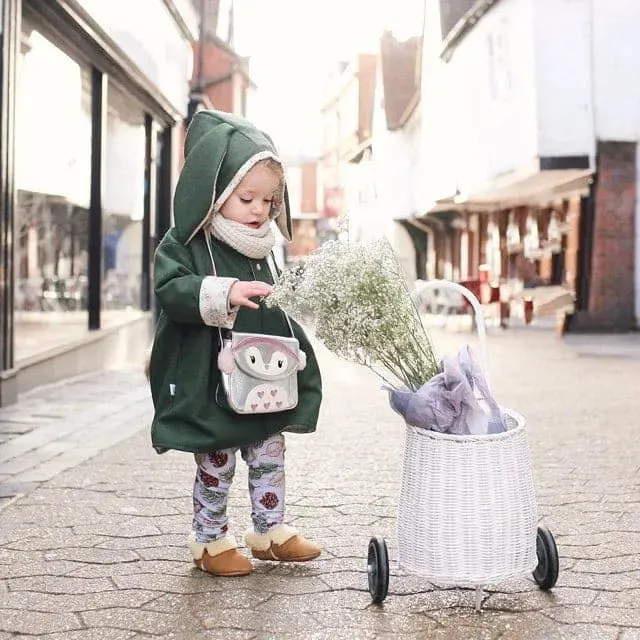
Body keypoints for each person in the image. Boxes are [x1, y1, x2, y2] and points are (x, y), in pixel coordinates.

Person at [148, 110, 323, 577]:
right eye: (246, 197)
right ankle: (208, 539)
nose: (259, 210)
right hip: (211, 378)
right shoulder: (185, 242)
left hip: (263, 374)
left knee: (269, 448)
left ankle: (268, 529)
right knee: (218, 456)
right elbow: (170, 289)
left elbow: (275, 307)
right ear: (216, 191)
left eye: (269, 201)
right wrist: (221, 292)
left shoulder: (262, 247)